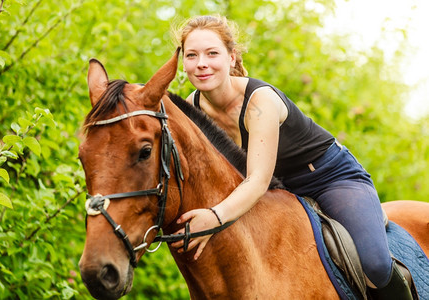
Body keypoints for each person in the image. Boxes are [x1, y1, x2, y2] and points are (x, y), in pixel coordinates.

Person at [170, 15, 413, 299]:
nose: (201, 63)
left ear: (232, 57)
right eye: (191, 55)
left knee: (375, 264)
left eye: (212, 53)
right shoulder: (192, 108)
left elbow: (257, 180)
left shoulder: (261, 101)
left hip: (327, 177)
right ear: (182, 62)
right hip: (279, 190)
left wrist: (214, 217)